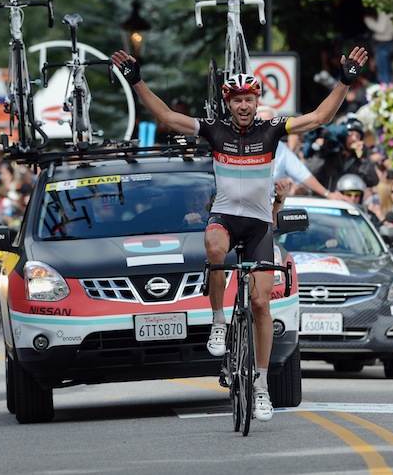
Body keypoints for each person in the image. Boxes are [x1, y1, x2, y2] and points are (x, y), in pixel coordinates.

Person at [111, 45, 368, 422]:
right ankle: (218, 321)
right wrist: (135, 80)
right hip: (226, 218)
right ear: (228, 104)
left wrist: (346, 80)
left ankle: (260, 386)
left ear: (256, 100)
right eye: (237, 101)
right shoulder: (214, 131)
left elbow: (318, 118)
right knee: (214, 246)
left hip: (260, 224)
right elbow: (166, 115)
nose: (243, 106)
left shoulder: (272, 130)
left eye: (249, 99)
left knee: (262, 304)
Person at [257, 105, 344, 200]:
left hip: (267, 207)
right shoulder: (240, 144)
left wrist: (328, 194)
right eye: (260, 122)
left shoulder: (280, 148)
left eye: (268, 123)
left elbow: (303, 174)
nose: (264, 127)